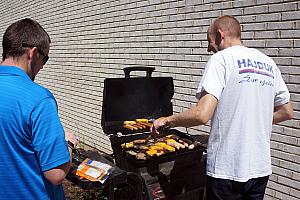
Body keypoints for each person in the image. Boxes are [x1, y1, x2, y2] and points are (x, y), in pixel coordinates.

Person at [151, 15, 294, 200]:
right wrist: (254, 118)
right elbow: (286, 111)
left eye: (209, 40)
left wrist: (167, 120)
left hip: (227, 171)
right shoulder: (268, 63)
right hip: (260, 168)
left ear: (220, 34)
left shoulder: (221, 59)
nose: (209, 47)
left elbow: (202, 115)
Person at [0, 18, 78, 199]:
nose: (43, 66)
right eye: (45, 58)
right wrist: (68, 144)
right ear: (33, 53)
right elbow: (56, 174)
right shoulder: (39, 99)